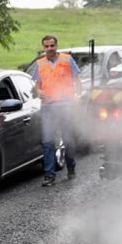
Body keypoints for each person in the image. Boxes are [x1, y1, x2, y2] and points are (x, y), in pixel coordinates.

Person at [30, 35, 81, 186]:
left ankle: (71, 168)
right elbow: (37, 86)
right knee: (47, 142)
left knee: (68, 140)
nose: (49, 49)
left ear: (56, 46)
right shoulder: (39, 64)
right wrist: (39, 92)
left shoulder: (67, 60)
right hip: (48, 107)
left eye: (52, 46)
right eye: (46, 46)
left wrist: (77, 96)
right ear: (43, 47)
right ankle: (49, 175)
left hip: (66, 106)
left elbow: (77, 81)